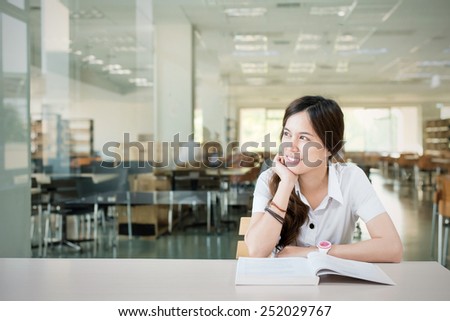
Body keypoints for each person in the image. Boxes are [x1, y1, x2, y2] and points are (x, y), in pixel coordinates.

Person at [245, 95, 403, 263]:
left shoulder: (351, 178)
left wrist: (315, 252)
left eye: (304, 138)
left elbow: (392, 248)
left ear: (330, 148)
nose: (290, 146)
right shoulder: (269, 179)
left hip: (333, 285)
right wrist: (286, 184)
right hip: (282, 284)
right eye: (287, 134)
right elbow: (256, 250)